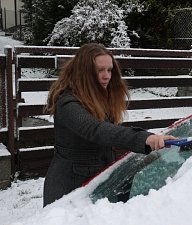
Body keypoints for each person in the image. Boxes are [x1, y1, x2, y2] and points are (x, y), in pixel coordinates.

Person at [43, 43, 176, 207]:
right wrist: (145, 138)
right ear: (84, 72)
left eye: (110, 70)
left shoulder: (100, 96)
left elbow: (108, 137)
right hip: (68, 189)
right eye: (100, 70)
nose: (107, 76)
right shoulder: (68, 103)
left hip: (99, 181)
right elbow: (95, 129)